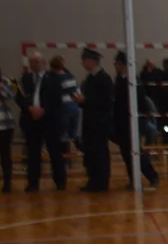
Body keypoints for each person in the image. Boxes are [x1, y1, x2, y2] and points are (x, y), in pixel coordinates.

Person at [17, 51, 67, 192]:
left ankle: (60, 181)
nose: (34, 64)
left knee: (55, 152)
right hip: (31, 121)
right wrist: (29, 108)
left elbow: (58, 99)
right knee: (33, 154)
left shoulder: (54, 78)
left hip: (50, 121)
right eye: (32, 61)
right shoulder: (24, 79)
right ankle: (33, 183)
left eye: (37, 61)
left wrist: (43, 110)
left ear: (43, 63)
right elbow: (19, 96)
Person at [112, 51, 160, 191]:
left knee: (136, 152)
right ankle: (133, 179)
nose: (116, 66)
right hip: (122, 122)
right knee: (126, 154)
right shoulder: (119, 79)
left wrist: (141, 118)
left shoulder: (134, 80)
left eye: (118, 64)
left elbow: (141, 101)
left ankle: (152, 176)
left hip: (134, 122)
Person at [78, 48, 114, 192]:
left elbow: (105, 102)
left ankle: (101, 181)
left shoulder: (103, 79)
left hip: (99, 122)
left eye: (84, 59)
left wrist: (86, 100)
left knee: (100, 153)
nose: (82, 63)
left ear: (92, 61)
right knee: (91, 153)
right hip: (90, 121)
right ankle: (93, 181)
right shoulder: (90, 78)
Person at [0, 70, 15, 193]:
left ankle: (7, 182)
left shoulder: (6, 81)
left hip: (5, 123)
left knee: (5, 155)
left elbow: (10, 95)